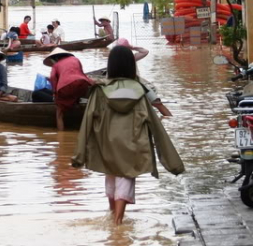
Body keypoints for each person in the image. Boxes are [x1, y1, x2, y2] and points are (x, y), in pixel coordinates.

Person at [72, 45, 185, 225]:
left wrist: (79, 155)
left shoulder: (99, 91)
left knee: (110, 176)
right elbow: (156, 126)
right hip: (133, 142)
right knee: (126, 178)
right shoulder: (141, 91)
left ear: (111, 65)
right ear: (132, 66)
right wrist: (173, 163)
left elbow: (87, 121)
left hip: (106, 143)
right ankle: (118, 221)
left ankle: (112, 219)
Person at [113, 38, 171, 117]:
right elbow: (145, 51)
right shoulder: (122, 59)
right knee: (158, 104)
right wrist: (132, 47)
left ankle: (169, 117)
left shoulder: (130, 58)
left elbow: (145, 51)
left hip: (133, 85)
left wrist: (132, 47)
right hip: (132, 86)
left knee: (158, 103)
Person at [44, 47, 94, 131]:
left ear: (55, 58)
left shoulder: (56, 65)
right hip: (82, 84)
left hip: (66, 86)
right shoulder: (75, 59)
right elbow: (81, 74)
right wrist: (91, 82)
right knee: (76, 96)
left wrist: (55, 93)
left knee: (59, 113)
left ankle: (61, 136)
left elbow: (53, 78)